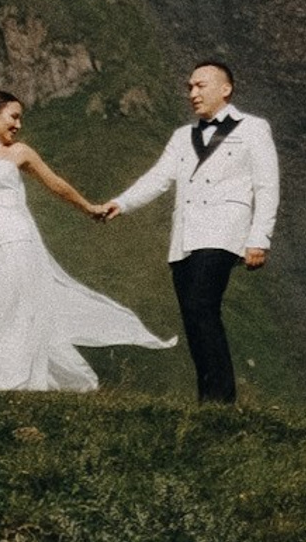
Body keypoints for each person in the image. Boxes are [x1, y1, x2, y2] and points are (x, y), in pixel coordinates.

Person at [0, 87, 176, 392]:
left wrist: (88, 207)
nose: (18, 125)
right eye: (14, 117)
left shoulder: (18, 152)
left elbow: (55, 184)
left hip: (16, 240)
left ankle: (22, 386)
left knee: (21, 313)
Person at [101, 59, 279, 404]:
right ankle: (208, 399)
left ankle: (220, 400)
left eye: (201, 86)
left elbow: (267, 186)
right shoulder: (182, 136)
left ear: (225, 89)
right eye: (190, 87)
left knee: (201, 305)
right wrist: (121, 204)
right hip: (185, 238)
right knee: (194, 316)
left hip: (225, 232)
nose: (193, 93)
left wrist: (260, 238)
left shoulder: (253, 129)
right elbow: (158, 177)